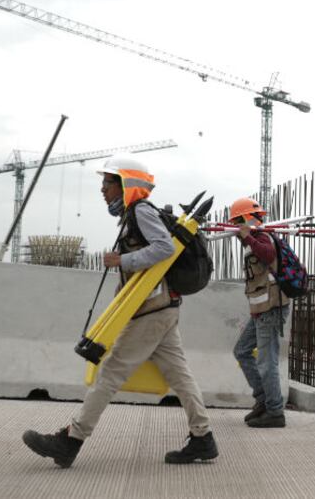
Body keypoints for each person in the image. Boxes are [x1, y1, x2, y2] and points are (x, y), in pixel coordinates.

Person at [22, 154, 217, 467]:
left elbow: (164, 248)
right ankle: (203, 438)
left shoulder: (140, 211)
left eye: (107, 182)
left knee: (110, 372)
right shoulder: (133, 214)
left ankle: (70, 440)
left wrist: (123, 261)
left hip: (152, 312)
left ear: (126, 184)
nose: (102, 189)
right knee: (180, 376)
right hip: (162, 309)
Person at [230, 197, 290, 428]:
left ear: (246, 218)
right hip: (260, 310)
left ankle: (275, 412)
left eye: (237, 221)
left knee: (267, 362)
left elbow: (267, 255)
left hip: (271, 309)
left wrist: (247, 237)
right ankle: (263, 400)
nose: (235, 226)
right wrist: (245, 238)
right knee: (242, 351)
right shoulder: (254, 239)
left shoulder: (264, 237)